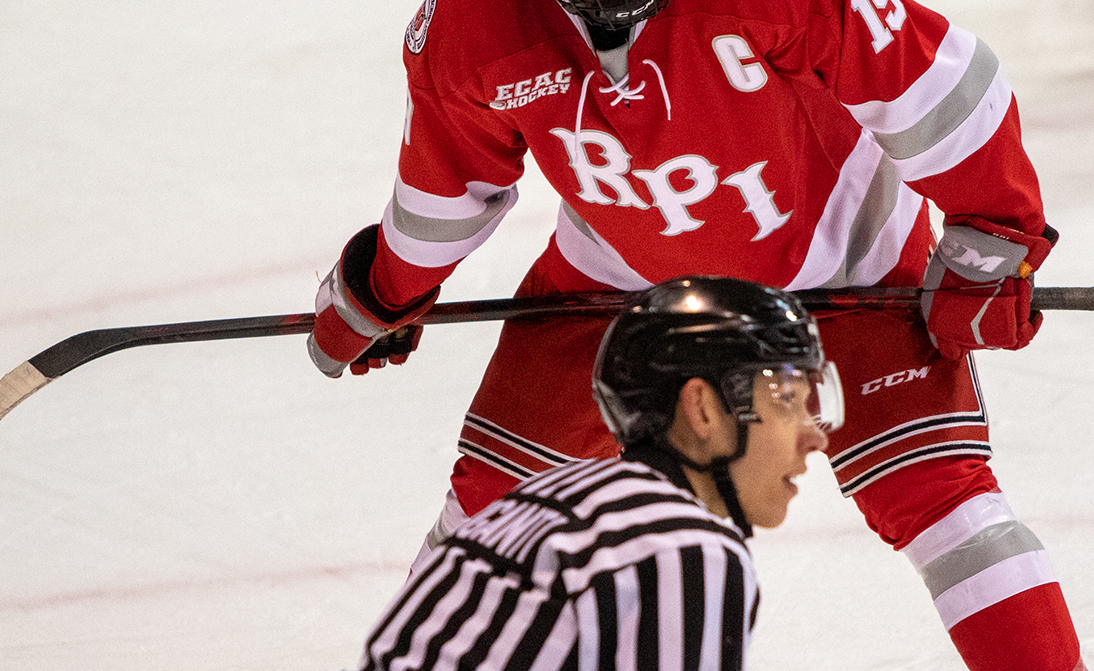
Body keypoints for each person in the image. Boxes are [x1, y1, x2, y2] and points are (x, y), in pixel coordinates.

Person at [313, 0, 1086, 671]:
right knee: (492, 500)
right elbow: (451, 185)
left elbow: (944, 91)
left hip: (845, 248)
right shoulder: (469, 24)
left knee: (942, 495)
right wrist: (383, 290)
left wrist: (993, 244)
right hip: (620, 271)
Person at [354, 275, 838, 670]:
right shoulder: (682, 548)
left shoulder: (539, 499)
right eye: (787, 402)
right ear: (703, 410)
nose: (815, 436)